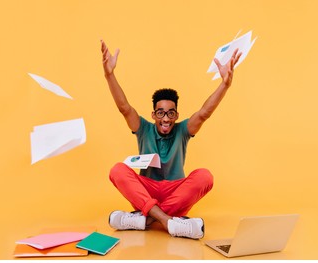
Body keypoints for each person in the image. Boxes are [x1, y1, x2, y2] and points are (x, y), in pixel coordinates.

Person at [101, 39, 241, 239]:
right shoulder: (143, 128)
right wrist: (109, 75)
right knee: (117, 170)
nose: (165, 118)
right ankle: (169, 221)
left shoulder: (183, 130)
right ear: (153, 115)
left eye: (170, 113)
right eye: (160, 113)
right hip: (146, 193)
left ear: (176, 115)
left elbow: (204, 113)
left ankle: (144, 219)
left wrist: (224, 85)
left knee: (205, 176)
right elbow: (124, 107)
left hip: (176, 195)